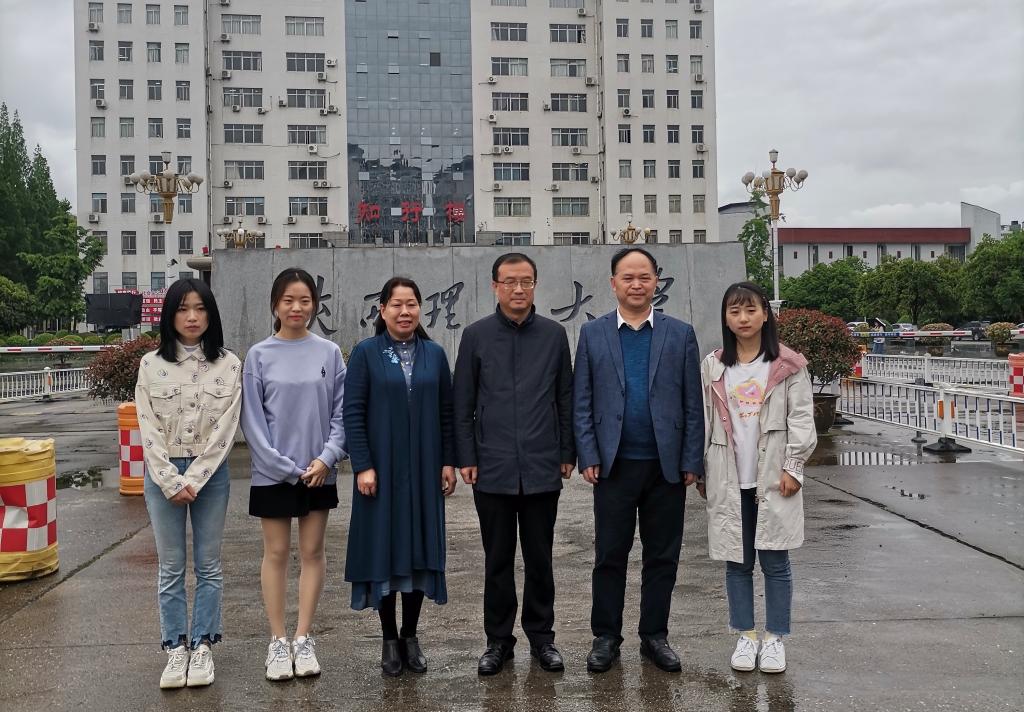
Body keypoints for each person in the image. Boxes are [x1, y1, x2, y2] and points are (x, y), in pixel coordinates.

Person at [573, 247, 705, 674]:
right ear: (613, 283)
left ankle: (654, 635)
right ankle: (605, 637)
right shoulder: (593, 334)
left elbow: (692, 403)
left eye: (644, 277)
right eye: (627, 277)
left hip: (665, 467)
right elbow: (582, 401)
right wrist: (588, 453)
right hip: (613, 466)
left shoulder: (679, 334)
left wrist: (692, 459)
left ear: (656, 282)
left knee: (662, 556)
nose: (636, 284)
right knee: (609, 555)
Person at [453, 253, 575, 676]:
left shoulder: (554, 335)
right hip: (492, 467)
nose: (518, 289)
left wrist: (566, 452)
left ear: (535, 284)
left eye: (525, 281)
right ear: (495, 286)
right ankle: (498, 641)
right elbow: (463, 402)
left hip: (542, 466)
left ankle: (543, 638)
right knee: (497, 560)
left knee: (541, 559)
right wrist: (467, 456)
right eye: (509, 282)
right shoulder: (476, 336)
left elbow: (564, 398)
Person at [698, 281, 817, 674]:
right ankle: (746, 635)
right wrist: (701, 470)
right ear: (725, 318)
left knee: (776, 561)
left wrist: (793, 466)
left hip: (773, 477)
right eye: (734, 311)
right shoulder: (714, 365)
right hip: (729, 477)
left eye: (751, 310)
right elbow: (704, 420)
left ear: (766, 314)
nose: (743, 318)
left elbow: (802, 419)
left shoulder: (787, 364)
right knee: (737, 561)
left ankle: (775, 638)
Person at [343, 276, 458, 677]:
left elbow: (447, 413)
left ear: (420, 309)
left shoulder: (434, 354)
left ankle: (411, 635)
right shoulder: (366, 353)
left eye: (411, 304)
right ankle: (389, 638)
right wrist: (363, 465)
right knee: (386, 549)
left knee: (419, 550)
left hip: (425, 468)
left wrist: (448, 462)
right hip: (381, 471)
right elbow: (353, 412)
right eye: (396, 305)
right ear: (382, 310)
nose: (405, 312)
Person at [241, 267, 347, 682]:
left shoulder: (329, 353)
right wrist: (284, 468)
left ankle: (303, 638)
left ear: (314, 306)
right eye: (288, 300)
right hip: (274, 473)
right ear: (275, 305)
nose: (296, 308)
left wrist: (327, 458)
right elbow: (252, 421)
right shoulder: (258, 355)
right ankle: (277, 640)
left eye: (304, 300)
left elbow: (341, 414)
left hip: (319, 470)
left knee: (313, 552)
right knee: (277, 553)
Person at [136, 278, 242, 689]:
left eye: (200, 308)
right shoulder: (151, 365)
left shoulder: (229, 365)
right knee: (171, 567)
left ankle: (203, 645)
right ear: (170, 315)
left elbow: (226, 430)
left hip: (210, 476)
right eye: (182, 309)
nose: (192, 317)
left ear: (211, 315)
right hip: (162, 473)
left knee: (209, 565)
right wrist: (169, 480)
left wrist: (194, 478)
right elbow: (147, 426)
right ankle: (175, 647)